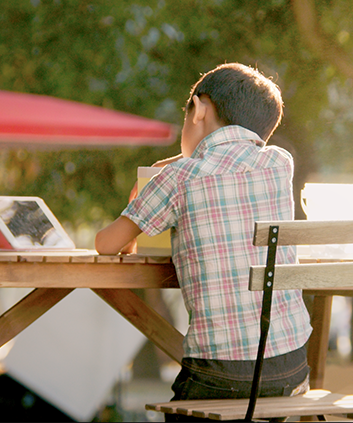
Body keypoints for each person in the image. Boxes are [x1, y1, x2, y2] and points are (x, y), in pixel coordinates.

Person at [95, 63, 312, 420]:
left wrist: (145, 191)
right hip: (289, 368)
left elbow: (106, 244)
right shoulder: (278, 164)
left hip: (219, 375)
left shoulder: (178, 177)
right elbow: (229, 160)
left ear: (199, 108)